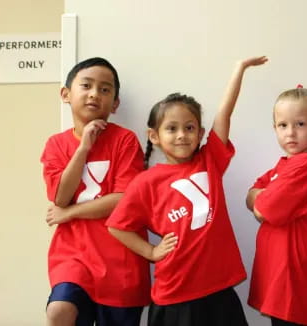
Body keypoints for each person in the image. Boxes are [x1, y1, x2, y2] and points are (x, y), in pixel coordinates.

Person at [106, 56, 267, 326]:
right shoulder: (146, 182)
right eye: (172, 128)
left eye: (189, 128)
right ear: (154, 136)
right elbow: (117, 226)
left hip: (218, 291)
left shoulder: (209, 161)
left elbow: (224, 115)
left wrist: (238, 68)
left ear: (201, 133)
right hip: (175, 296)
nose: (182, 134)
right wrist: (150, 252)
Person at [41, 57, 149, 326]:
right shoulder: (56, 145)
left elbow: (123, 200)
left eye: (105, 89)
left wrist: (68, 214)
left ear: (115, 103)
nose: (94, 94)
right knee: (59, 311)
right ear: (66, 94)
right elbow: (60, 198)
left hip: (121, 260)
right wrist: (83, 148)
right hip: (73, 254)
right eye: (86, 85)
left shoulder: (124, 140)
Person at [246, 86, 307, 326]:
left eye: (300, 124)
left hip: (293, 272)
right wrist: (258, 196)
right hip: (279, 270)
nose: (290, 133)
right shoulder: (285, 165)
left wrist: (259, 197)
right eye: (283, 125)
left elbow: (264, 209)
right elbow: (251, 194)